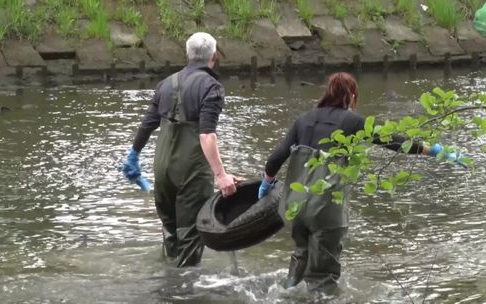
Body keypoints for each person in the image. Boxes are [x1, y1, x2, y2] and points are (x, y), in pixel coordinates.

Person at [257, 72, 462, 291]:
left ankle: (286, 293)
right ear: (352, 96)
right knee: (322, 277)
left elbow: (277, 157)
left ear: (327, 93)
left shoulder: (303, 120)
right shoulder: (353, 121)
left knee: (300, 256)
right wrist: (434, 151)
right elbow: (393, 141)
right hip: (325, 208)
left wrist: (266, 184)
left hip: (294, 207)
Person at [121, 32, 239, 267]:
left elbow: (147, 125)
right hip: (191, 170)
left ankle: (167, 285)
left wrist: (133, 156)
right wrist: (221, 175)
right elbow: (206, 134)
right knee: (191, 235)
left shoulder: (166, 84)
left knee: (170, 230)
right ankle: (184, 293)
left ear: (187, 55)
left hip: (162, 167)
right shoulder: (212, 86)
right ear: (214, 57)